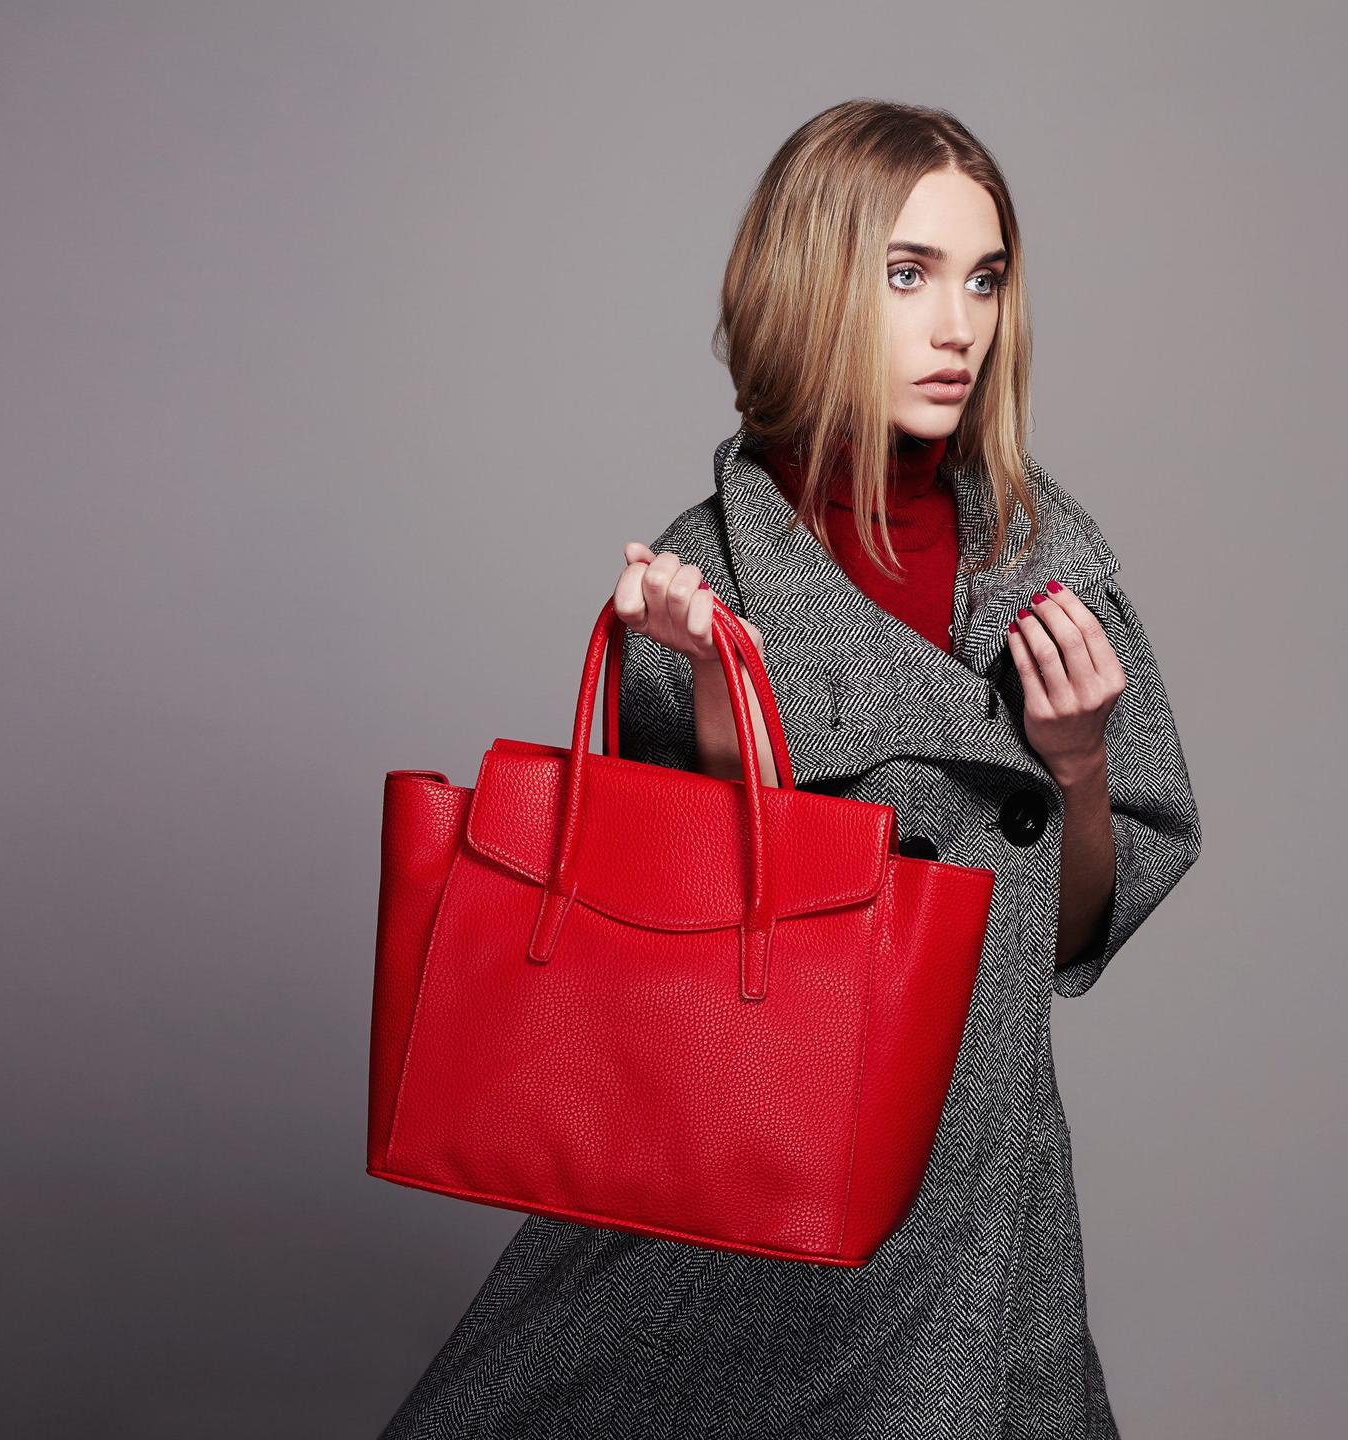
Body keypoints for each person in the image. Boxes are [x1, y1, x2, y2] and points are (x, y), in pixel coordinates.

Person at [379, 97, 1202, 1440]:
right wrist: (721, 707)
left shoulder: (1050, 557)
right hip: (756, 1211)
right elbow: (693, 979)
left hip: (979, 1201)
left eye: (985, 278)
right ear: (813, 285)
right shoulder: (706, 573)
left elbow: (1053, 947)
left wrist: (1078, 765)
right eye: (908, 275)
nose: (960, 326)